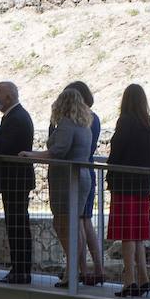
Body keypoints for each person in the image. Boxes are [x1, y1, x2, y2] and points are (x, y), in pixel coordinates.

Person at [22, 89, 94, 287]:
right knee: (74, 224)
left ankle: (71, 271)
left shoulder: (66, 125)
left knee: (63, 224)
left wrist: (32, 155)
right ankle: (74, 269)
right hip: (81, 177)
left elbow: (58, 151)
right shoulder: (84, 125)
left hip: (67, 179)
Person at [0, 81, 35, 284]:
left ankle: (21, 271)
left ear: (8, 98)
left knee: (17, 226)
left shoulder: (16, 118)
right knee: (16, 225)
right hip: (15, 179)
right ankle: (18, 269)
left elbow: (1, 147)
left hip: (16, 180)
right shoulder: (14, 116)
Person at [106, 84, 150, 297]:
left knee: (127, 234)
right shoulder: (149, 123)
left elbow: (117, 150)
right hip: (144, 185)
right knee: (138, 234)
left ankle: (129, 282)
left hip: (125, 184)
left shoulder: (125, 121)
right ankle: (143, 278)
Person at [66, 81, 106, 285]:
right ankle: (98, 268)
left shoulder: (80, 119)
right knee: (85, 220)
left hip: (77, 172)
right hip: (88, 170)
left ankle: (83, 269)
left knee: (79, 220)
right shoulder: (95, 118)